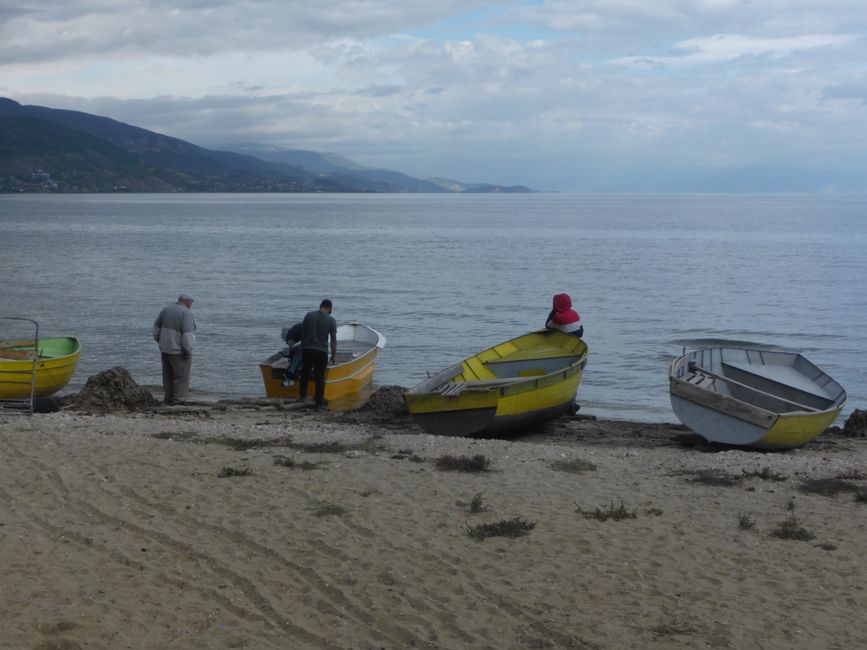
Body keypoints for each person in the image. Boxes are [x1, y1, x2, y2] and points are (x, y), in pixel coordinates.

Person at [153, 293, 196, 405]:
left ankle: (168, 398)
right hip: (178, 351)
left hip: (165, 349)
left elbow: (156, 329)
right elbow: (187, 335)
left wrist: (160, 341)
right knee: (180, 377)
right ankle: (178, 400)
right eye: (191, 301)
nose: (191, 304)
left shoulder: (166, 310)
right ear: (186, 301)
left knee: (167, 376)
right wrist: (187, 350)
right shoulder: (186, 313)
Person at [298, 299, 338, 409]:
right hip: (321, 351)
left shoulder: (309, 316)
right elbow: (333, 340)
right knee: (319, 377)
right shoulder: (331, 320)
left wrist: (302, 346)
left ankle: (302, 396)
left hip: (307, 349)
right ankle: (319, 404)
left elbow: (303, 333)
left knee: (305, 373)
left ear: (320, 305)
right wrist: (333, 355)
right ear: (329, 308)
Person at [280, 322, 304, 387]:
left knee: (299, 355)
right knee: (298, 355)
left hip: (294, 338)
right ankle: (289, 375)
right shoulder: (309, 328)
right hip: (292, 339)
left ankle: (291, 374)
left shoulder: (306, 326)